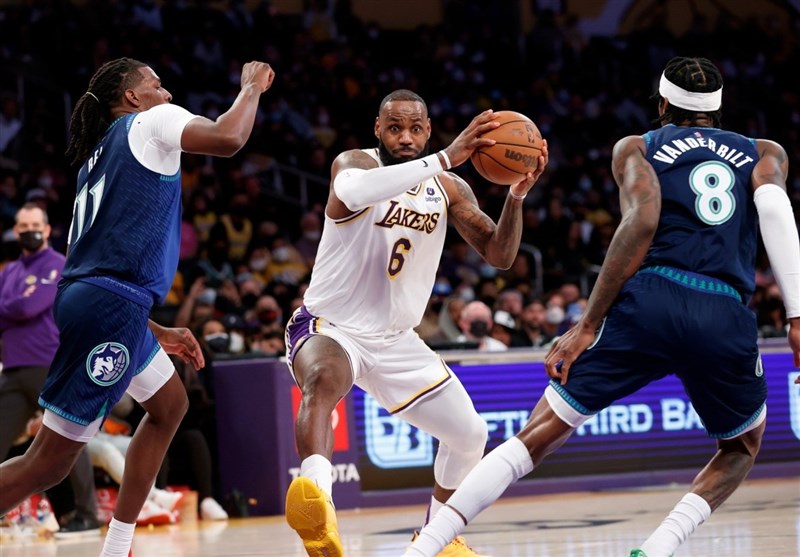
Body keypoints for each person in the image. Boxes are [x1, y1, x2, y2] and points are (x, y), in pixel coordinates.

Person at [403, 56, 800, 557]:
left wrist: (587, 324)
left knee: (538, 434)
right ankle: (657, 549)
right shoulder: (764, 152)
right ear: (719, 107)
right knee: (741, 445)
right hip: (724, 308)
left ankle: (425, 547)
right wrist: (796, 316)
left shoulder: (637, 146)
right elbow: (775, 210)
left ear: (663, 103)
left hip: (652, 298)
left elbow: (642, 221)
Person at [0, 56, 275, 557]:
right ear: (132, 97)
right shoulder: (152, 121)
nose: (167, 94)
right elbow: (229, 137)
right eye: (157, 84)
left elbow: (95, 260)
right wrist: (251, 87)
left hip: (105, 301)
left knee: (170, 406)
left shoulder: (96, 159)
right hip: (109, 306)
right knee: (47, 464)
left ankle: (119, 545)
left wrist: (154, 330)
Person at [283, 89, 548, 557]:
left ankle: (437, 538)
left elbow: (500, 254)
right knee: (323, 380)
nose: (405, 137)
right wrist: (445, 156)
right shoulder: (355, 164)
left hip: (396, 341)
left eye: (415, 128)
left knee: (469, 434)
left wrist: (516, 196)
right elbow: (353, 193)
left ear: (427, 130)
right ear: (378, 129)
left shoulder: (448, 188)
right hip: (332, 326)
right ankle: (318, 504)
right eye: (395, 127)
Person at [0, 203, 102, 538]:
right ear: (16, 231)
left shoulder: (57, 264)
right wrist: (15, 306)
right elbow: (17, 308)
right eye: (23, 226)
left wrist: (12, 307)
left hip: (48, 363)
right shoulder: (9, 272)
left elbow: (29, 306)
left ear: (46, 230)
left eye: (35, 225)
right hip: (13, 368)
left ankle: (87, 514)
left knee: (68, 437)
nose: (29, 231)